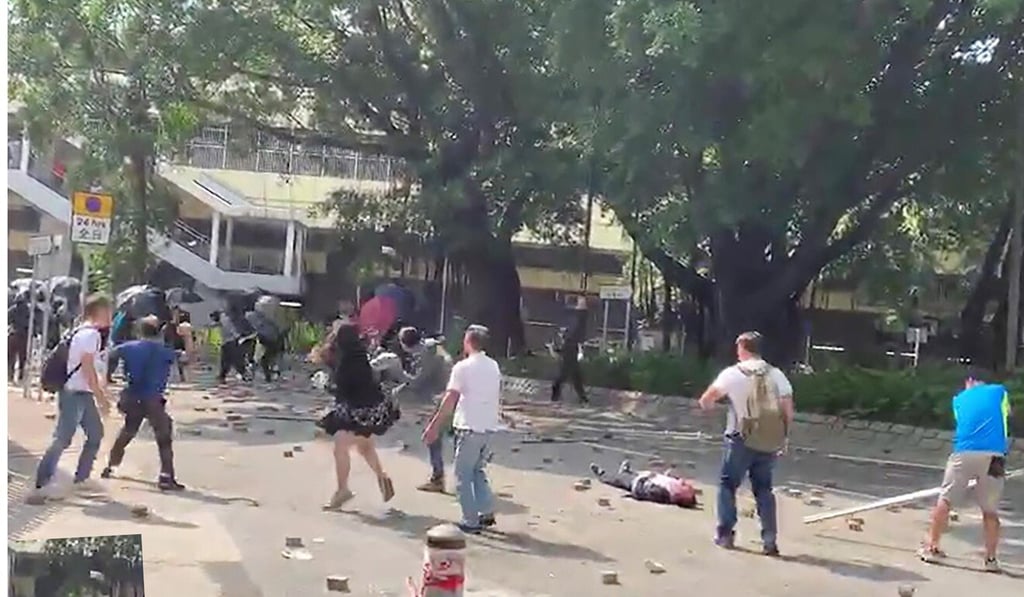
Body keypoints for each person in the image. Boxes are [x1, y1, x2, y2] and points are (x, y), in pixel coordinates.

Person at [698, 331, 794, 556]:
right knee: (764, 489)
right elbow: (787, 410)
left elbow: (706, 400)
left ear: (742, 348)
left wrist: (717, 410)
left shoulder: (733, 373)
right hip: (769, 440)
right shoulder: (777, 374)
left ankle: (725, 535)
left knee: (728, 484)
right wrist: (783, 436)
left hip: (739, 437)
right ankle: (769, 541)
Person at [919, 369, 1010, 573]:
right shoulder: (1000, 392)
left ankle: (931, 547)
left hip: (964, 451)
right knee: (990, 510)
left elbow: (964, 423)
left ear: (969, 381)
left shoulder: (958, 400)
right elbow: (1004, 418)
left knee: (946, 499)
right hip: (995, 455)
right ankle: (991, 559)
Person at [31, 294, 114, 500]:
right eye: (108, 311)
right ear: (99, 311)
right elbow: (88, 368)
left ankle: (81, 479)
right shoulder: (91, 335)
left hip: (80, 392)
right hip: (75, 392)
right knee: (63, 438)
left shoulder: (79, 331)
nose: (111, 315)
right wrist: (101, 398)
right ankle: (43, 482)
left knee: (95, 434)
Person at [422, 325, 502, 533]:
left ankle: (470, 520)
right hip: (488, 426)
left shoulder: (463, 367)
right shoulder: (493, 366)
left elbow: (450, 398)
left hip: (469, 425)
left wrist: (434, 426)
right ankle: (486, 510)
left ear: (468, 342)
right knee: (477, 470)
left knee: (462, 474)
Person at [312, 320, 398, 510]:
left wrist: (324, 385)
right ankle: (382, 477)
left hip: (358, 413)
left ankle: (342, 490)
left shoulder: (346, 362)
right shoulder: (360, 355)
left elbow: (342, 391)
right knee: (365, 447)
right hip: (374, 410)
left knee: (340, 447)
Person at [100, 315, 185, 491]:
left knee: (128, 431)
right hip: (153, 399)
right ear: (158, 332)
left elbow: (107, 357)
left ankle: (110, 466)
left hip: (133, 396)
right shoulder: (164, 351)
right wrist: (188, 336)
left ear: (139, 331)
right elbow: (188, 358)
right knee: (163, 437)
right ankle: (166, 477)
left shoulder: (127, 347)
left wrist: (107, 378)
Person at [392, 327, 454, 493]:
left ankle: (438, 478)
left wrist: (397, 369)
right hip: (448, 393)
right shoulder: (431, 346)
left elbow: (417, 382)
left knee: (434, 436)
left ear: (404, 344)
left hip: (442, 397)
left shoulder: (425, 354)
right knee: (448, 434)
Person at [589, 460, 699, 508]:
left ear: (678, 494)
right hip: (646, 477)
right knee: (629, 475)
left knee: (618, 480)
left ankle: (602, 475)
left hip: (637, 483)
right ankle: (626, 472)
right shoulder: (672, 486)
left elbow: (647, 492)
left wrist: (634, 493)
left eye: (683, 486)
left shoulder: (663, 493)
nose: (683, 482)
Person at [551, 296, 589, 403]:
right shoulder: (577, 317)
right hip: (570, 347)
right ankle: (580, 396)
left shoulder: (577, 317)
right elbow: (573, 333)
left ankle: (581, 396)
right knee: (569, 373)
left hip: (572, 347)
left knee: (573, 373)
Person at [246, 306, 283, 383]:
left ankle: (269, 376)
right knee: (266, 359)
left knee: (264, 360)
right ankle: (270, 374)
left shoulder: (260, 325)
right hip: (272, 342)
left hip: (271, 342)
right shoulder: (265, 321)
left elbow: (256, 334)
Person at [212, 310, 249, 383]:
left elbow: (230, 329)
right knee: (227, 360)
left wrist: (237, 336)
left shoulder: (224, 320)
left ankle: (243, 374)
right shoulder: (224, 319)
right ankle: (223, 376)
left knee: (233, 360)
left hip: (230, 342)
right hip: (228, 342)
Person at [8, 296, 31, 382]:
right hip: (24, 335)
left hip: (14, 334)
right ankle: (20, 376)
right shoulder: (28, 310)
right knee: (22, 357)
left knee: (11, 357)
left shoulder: (13, 309)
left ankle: (10, 375)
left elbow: (7, 320)